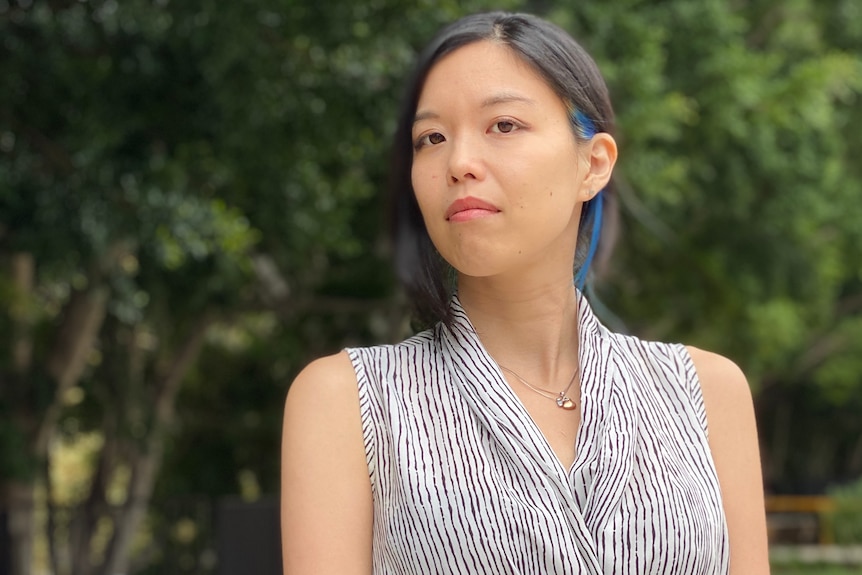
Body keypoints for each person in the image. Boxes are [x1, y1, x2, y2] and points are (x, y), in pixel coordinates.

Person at [281, 11, 769, 574]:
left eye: (504, 125)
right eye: (431, 138)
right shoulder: (347, 401)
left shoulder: (705, 394)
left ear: (593, 163)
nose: (459, 163)